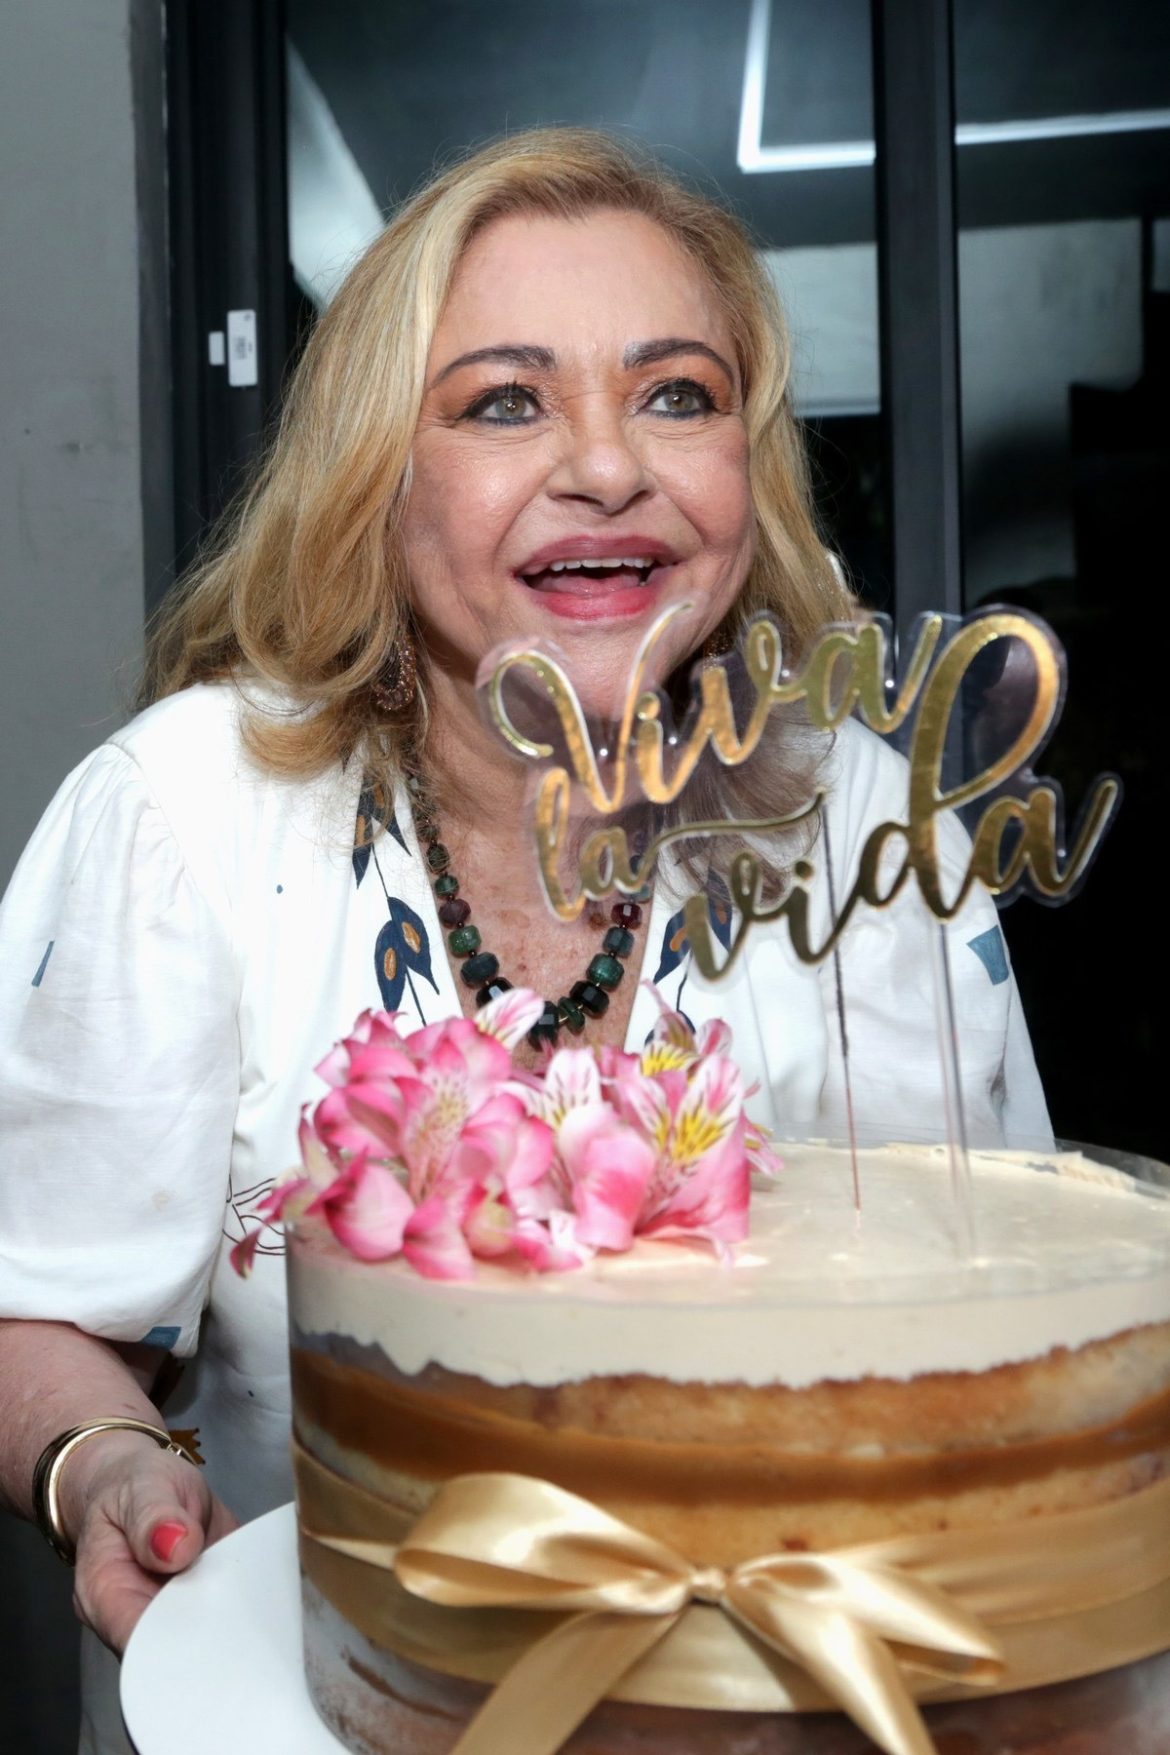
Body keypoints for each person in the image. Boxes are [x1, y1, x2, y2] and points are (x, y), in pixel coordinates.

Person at [0, 127, 1049, 1754]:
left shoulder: (861, 822)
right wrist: (104, 1470)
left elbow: (1014, 1313)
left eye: (676, 394)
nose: (609, 467)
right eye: (504, 401)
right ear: (376, 470)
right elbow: (33, 1301)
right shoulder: (184, 817)